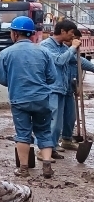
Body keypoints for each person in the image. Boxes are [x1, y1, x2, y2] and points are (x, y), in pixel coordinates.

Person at [0, 16, 58, 178]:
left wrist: (16, 82)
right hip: (41, 99)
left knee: (22, 134)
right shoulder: (44, 51)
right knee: (44, 131)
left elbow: (2, 79)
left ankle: (23, 169)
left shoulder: (6, 53)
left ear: (15, 34)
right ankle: (46, 165)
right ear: (31, 34)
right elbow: (52, 77)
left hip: (19, 99)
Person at [40, 20, 94, 154]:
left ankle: (56, 145)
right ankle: (46, 149)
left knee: (62, 121)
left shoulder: (63, 47)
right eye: (71, 33)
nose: (72, 36)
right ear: (63, 31)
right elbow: (59, 60)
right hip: (52, 88)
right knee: (53, 121)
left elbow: (79, 60)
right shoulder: (46, 46)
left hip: (63, 88)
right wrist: (73, 47)